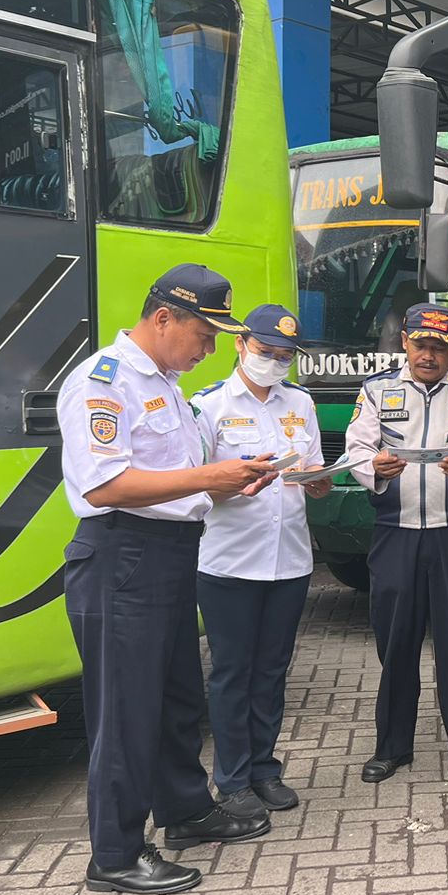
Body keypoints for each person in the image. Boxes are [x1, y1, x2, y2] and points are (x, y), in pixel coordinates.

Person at [58, 264, 278, 895]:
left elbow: (176, 475)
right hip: (124, 556)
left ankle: (185, 811)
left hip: (172, 554)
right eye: (205, 334)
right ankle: (117, 854)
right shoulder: (106, 381)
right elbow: (106, 484)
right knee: (126, 711)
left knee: (179, 697)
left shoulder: (166, 384)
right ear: (163, 319)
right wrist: (211, 479)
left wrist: (233, 475)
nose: (210, 348)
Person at [344, 303, 448, 788]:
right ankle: (392, 747)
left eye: (440, 347)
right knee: (395, 642)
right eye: (421, 345)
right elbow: (357, 448)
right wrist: (373, 469)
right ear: (404, 342)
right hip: (396, 533)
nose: (429, 355)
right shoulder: (377, 390)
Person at [191, 305, 331, 818]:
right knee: (232, 673)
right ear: (240, 346)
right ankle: (231, 780)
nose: (274, 363)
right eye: (265, 352)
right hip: (229, 561)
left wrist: (319, 481)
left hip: (289, 561)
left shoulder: (301, 402)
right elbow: (191, 488)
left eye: (284, 356)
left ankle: (264, 769)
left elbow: (314, 474)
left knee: (271, 671)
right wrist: (230, 484)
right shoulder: (207, 406)